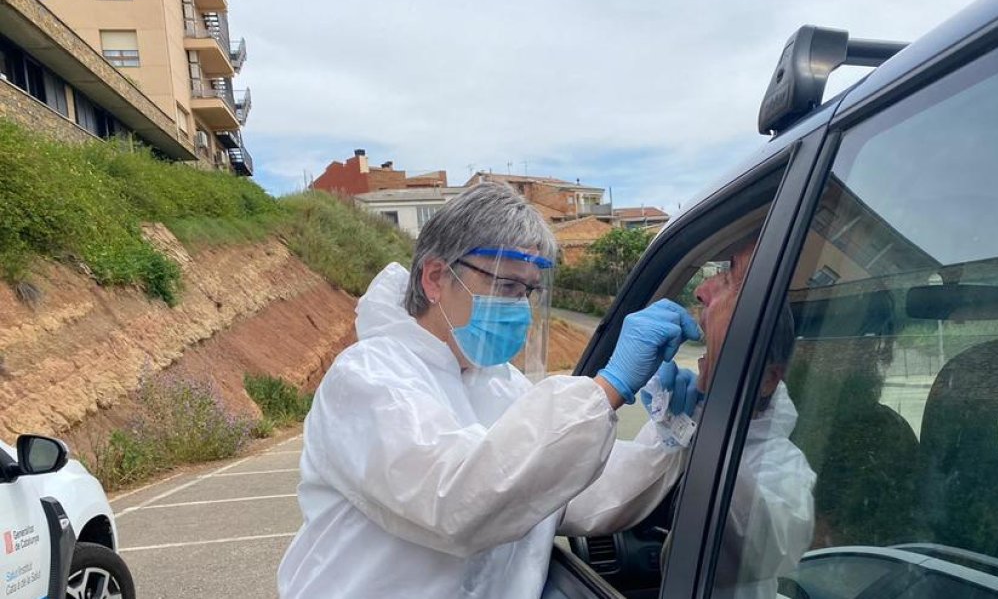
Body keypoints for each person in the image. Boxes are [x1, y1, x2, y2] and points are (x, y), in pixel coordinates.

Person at [277, 182, 701, 599]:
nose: (520, 307)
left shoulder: (501, 384)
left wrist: (670, 436)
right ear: (436, 278)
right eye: (506, 287)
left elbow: (572, 492)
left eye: (529, 292)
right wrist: (608, 387)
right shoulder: (369, 378)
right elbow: (455, 502)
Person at [666, 235, 818, 599]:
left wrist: (709, 426)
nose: (702, 290)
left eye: (731, 277)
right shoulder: (689, 419)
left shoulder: (785, 464)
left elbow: (758, 549)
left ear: (768, 379)